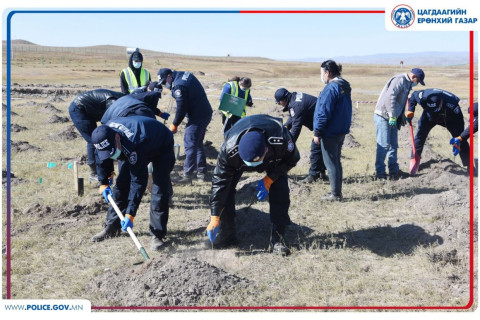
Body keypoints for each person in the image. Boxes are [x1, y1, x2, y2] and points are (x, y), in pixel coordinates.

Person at [206, 114, 300, 256]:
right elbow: (220, 183)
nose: (253, 166)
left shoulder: (281, 140)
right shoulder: (229, 150)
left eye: (256, 161)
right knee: (227, 190)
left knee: (280, 191)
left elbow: (291, 160)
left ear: (266, 150)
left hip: (274, 160)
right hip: (238, 158)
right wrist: (215, 215)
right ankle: (228, 234)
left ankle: (278, 239)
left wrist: (270, 178)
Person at [90, 116, 175, 251]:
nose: (111, 155)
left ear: (117, 137)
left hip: (161, 145)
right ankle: (112, 226)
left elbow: (138, 182)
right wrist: (104, 182)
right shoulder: (101, 137)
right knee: (121, 184)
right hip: (136, 143)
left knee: (159, 189)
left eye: (112, 150)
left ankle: (157, 235)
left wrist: (130, 213)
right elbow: (101, 159)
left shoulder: (134, 143)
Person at [157, 68, 213, 182]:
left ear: (169, 76)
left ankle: (188, 175)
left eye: (164, 82)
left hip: (198, 116)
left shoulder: (179, 86)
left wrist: (175, 124)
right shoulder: (180, 75)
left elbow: (181, 108)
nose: (164, 85)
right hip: (204, 112)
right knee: (197, 144)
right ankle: (201, 173)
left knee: (190, 143)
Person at [374, 68, 425, 180]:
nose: (417, 83)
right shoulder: (400, 80)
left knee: (393, 145)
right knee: (384, 145)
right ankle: (380, 173)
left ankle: (394, 171)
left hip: (393, 117)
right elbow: (389, 98)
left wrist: (400, 116)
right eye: (418, 81)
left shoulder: (407, 84)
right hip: (383, 115)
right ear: (413, 77)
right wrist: (392, 115)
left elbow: (399, 101)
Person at [313, 60, 352, 201]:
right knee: (336, 161)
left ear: (328, 73)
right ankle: (337, 191)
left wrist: (317, 132)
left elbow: (324, 112)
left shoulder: (331, 89)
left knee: (330, 163)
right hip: (341, 130)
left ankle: (335, 194)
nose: (321, 76)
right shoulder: (344, 86)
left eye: (321, 73)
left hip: (330, 132)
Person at [68, 89, 125, 184]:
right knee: (95, 140)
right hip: (79, 109)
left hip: (90, 110)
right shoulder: (114, 102)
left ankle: (108, 171)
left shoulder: (120, 100)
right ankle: (94, 173)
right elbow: (108, 125)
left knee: (104, 139)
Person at [406, 88, 470, 172]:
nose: (435, 111)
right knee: (420, 135)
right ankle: (415, 160)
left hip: (448, 119)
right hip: (428, 117)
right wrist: (411, 110)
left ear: (441, 102)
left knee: (460, 139)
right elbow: (414, 95)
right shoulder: (423, 96)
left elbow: (459, 121)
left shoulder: (452, 103)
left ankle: (469, 165)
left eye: (436, 109)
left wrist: (459, 138)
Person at [275, 88, 327, 183]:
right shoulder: (294, 98)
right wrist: (285, 127)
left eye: (279, 103)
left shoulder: (296, 105)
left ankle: (313, 175)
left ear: (283, 100)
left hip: (325, 124)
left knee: (315, 148)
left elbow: (296, 128)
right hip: (323, 122)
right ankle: (321, 173)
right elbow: (293, 117)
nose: (280, 105)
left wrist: (288, 145)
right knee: (320, 147)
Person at [101, 92, 170, 124]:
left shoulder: (148, 95)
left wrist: (160, 114)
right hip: (125, 110)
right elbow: (148, 108)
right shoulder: (143, 95)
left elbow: (150, 107)